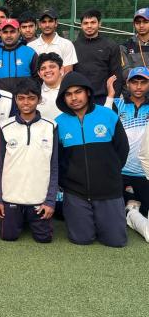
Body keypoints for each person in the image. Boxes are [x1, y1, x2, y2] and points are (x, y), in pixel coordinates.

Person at [55, 71, 129, 247]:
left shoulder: (108, 116)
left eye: (78, 92)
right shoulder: (59, 123)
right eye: (68, 94)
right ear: (63, 98)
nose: (74, 98)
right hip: (75, 192)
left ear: (87, 92)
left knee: (116, 241)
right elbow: (57, 159)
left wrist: (111, 174)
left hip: (108, 190)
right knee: (81, 239)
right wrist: (66, 181)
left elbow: (122, 149)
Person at [0, 78, 58, 243]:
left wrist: (50, 201)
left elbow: (54, 166)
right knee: (9, 237)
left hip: (39, 199)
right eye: (21, 98)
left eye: (31, 98)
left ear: (39, 99)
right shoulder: (5, 126)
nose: (26, 102)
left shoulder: (51, 126)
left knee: (44, 239)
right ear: (15, 100)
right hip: (11, 198)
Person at [105, 67, 149, 231]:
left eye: (143, 82)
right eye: (134, 82)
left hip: (144, 172)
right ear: (127, 84)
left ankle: (132, 207)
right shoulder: (118, 104)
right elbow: (103, 122)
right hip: (120, 171)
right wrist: (110, 95)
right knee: (112, 214)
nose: (138, 87)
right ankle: (130, 205)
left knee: (145, 211)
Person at [73, 9, 122, 105]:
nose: (89, 26)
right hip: (79, 98)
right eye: (85, 23)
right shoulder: (73, 46)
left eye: (93, 22)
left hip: (103, 98)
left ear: (99, 24)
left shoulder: (111, 46)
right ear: (81, 25)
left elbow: (117, 75)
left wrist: (113, 99)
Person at [0, 18, 38, 93]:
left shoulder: (30, 53)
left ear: (19, 32)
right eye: (5, 32)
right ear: (1, 33)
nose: (8, 35)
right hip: (1, 101)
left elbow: (38, 78)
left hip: (24, 100)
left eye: (12, 32)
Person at [28, 8, 78, 73]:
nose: (47, 25)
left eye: (50, 21)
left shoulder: (67, 44)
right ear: (39, 24)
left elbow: (68, 73)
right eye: (44, 22)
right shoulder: (30, 46)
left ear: (56, 23)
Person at [120, 7, 149, 83]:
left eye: (145, 22)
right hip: (133, 92)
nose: (141, 25)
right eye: (138, 22)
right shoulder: (124, 46)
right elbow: (125, 72)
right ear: (134, 24)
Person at [36, 52, 64, 121]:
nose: (47, 70)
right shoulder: (35, 94)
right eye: (43, 68)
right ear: (39, 74)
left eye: (52, 67)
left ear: (61, 69)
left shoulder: (70, 91)